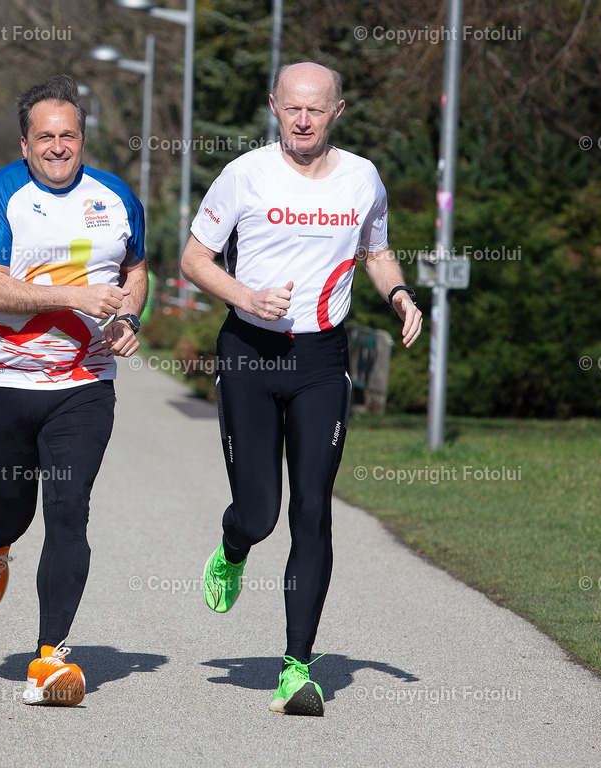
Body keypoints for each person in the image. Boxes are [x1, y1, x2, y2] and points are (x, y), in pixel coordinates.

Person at [180, 62, 422, 717]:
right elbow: (194, 259)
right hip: (251, 354)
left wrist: (398, 292)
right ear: (274, 107)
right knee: (259, 513)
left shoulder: (362, 178)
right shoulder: (246, 175)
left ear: (338, 110)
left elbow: (376, 250)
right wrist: (247, 297)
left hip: (321, 359)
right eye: (292, 109)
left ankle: (297, 669)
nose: (304, 121)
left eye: (316, 109)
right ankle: (233, 548)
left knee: (312, 509)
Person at [0, 74, 147, 707]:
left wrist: (128, 319)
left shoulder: (117, 196)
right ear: (25, 143)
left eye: (68, 134)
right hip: (8, 382)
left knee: (69, 511)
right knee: (14, 508)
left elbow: (135, 269)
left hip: (85, 385)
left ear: (82, 138)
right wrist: (75, 295)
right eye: (45, 136)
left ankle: (50, 659)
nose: (57, 145)